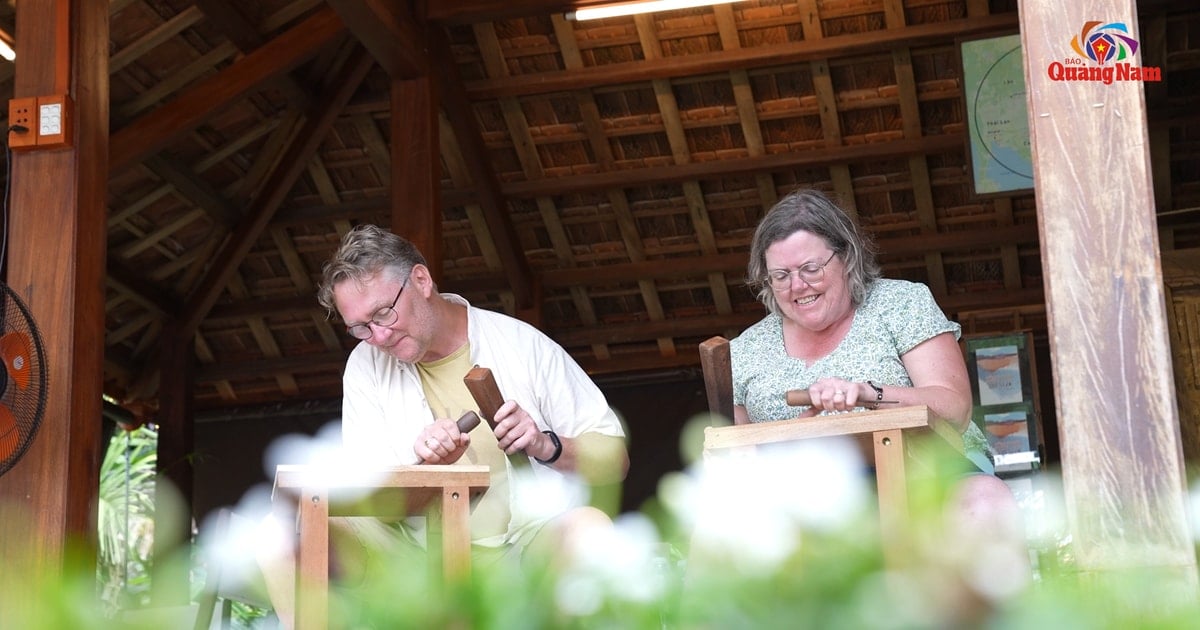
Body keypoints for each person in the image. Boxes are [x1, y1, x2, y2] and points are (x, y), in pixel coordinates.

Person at [259, 224, 629, 626]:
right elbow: (368, 500)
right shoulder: (365, 365)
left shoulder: (524, 345)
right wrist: (421, 472)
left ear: (421, 279)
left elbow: (616, 460)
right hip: (415, 555)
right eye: (360, 328)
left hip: (522, 550)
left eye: (384, 313)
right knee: (274, 538)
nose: (378, 335)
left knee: (589, 530)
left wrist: (545, 445)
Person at [729, 189, 1029, 603]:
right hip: (811, 503)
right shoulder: (745, 350)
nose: (798, 286)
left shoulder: (901, 304)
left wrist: (868, 394)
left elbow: (954, 407)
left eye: (811, 268)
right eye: (780, 276)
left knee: (984, 504)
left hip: (927, 477)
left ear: (846, 257)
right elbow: (736, 460)